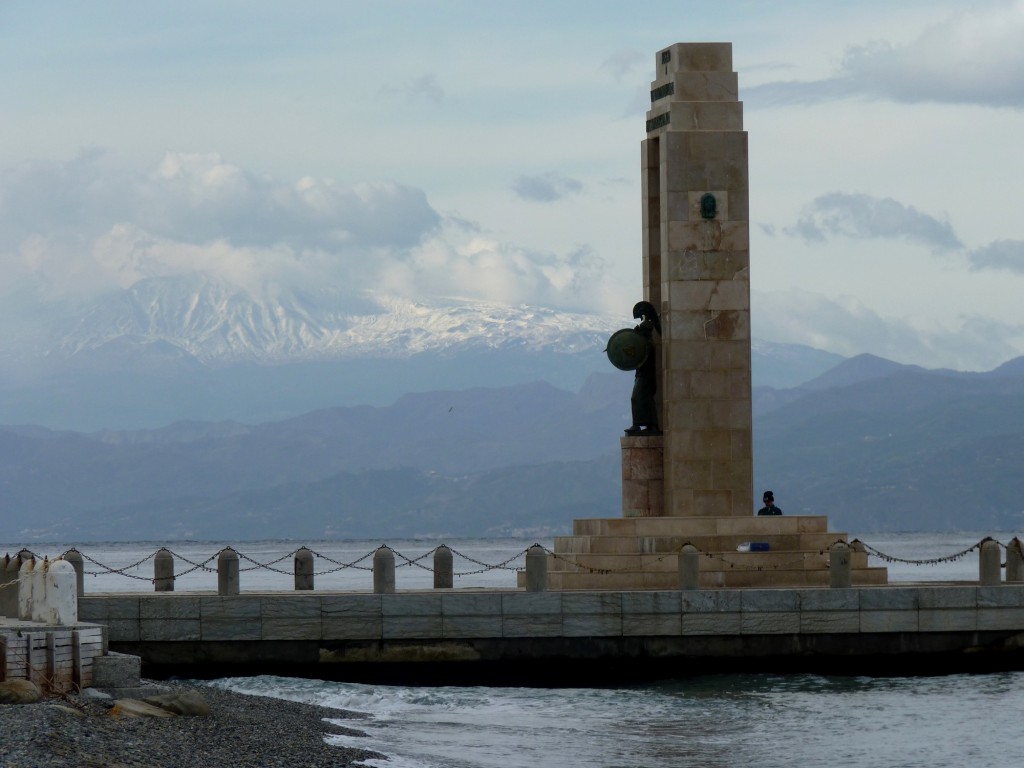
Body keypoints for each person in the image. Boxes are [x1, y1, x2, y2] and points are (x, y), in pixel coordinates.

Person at [625, 301, 662, 436]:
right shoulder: (646, 344)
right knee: (646, 400)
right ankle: (651, 425)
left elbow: (638, 356)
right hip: (643, 377)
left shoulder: (647, 345)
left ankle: (639, 424)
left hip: (645, 377)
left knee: (637, 398)